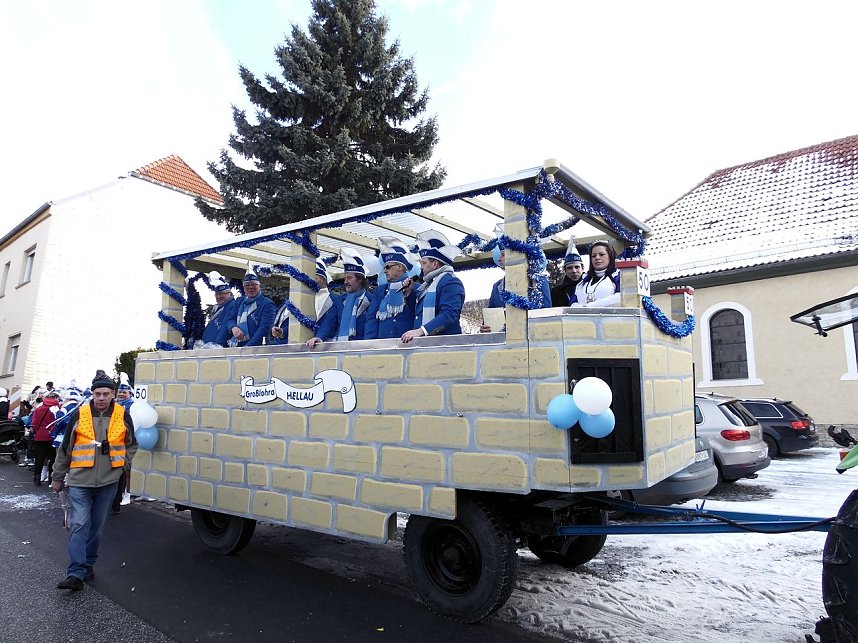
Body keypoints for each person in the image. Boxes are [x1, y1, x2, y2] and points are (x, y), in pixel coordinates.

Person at [51, 370, 136, 590]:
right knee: (79, 523)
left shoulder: (122, 415)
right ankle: (76, 572)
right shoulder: (80, 415)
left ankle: (88, 564)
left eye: (105, 393)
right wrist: (57, 476)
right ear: (92, 393)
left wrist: (123, 465)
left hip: (109, 482)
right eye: (97, 393)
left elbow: (131, 444)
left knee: (96, 527)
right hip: (80, 481)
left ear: (113, 394)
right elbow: (65, 449)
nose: (100, 398)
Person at [402, 230, 465, 343]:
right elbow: (418, 314)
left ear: (435, 264)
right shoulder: (427, 284)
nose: (421, 268)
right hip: (427, 345)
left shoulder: (451, 282)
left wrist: (421, 331)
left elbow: (449, 315)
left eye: (424, 263)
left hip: (444, 345)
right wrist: (409, 292)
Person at [481, 242, 551, 332]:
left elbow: (545, 313)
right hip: (502, 340)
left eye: (503, 255)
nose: (499, 259)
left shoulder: (537, 280)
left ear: (515, 255)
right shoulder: (497, 286)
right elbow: (491, 315)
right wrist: (485, 327)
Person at [365, 237, 417, 339]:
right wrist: (369, 344)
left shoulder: (416, 288)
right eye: (384, 267)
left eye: (388, 267)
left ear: (400, 267)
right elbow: (371, 320)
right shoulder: (379, 291)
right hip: (382, 347)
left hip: (407, 345)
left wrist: (409, 293)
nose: (384, 271)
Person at [227, 264, 276, 347]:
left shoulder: (267, 304)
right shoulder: (239, 301)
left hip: (257, 348)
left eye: (253, 284)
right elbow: (230, 319)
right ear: (243, 287)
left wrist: (248, 348)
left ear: (259, 286)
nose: (250, 287)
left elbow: (264, 329)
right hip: (237, 346)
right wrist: (234, 328)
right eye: (247, 285)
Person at [572, 240, 621, 308]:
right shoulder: (583, 281)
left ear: (610, 257)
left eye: (601, 254)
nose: (597, 258)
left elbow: (621, 298)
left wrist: (589, 306)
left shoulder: (619, 277)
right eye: (593, 256)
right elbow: (572, 303)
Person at [304, 259, 342, 347]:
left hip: (326, 347)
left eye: (314, 278)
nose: (310, 281)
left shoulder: (335, 300)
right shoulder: (306, 297)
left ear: (322, 279)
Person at [111, 373, 135, 511]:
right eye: (119, 391)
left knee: (127, 470)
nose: (121, 394)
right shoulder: (114, 405)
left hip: (127, 441)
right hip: (113, 442)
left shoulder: (132, 405)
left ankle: (127, 493)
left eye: (124, 392)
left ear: (130, 393)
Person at [31, 390, 60, 485]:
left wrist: (35, 432)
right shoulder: (58, 409)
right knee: (53, 458)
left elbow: (34, 423)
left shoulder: (39, 408)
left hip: (40, 436)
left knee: (39, 458)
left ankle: (37, 478)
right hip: (53, 436)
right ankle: (51, 479)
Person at [201, 271, 238, 346]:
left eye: (222, 293)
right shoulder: (218, 307)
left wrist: (217, 346)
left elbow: (225, 329)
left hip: (216, 351)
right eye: (217, 294)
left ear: (229, 293)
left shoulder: (231, 306)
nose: (219, 296)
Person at [551, 238, 585, 307]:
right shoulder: (556, 292)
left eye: (577, 267)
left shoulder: (592, 286)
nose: (574, 271)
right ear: (564, 270)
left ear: (583, 268)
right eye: (569, 268)